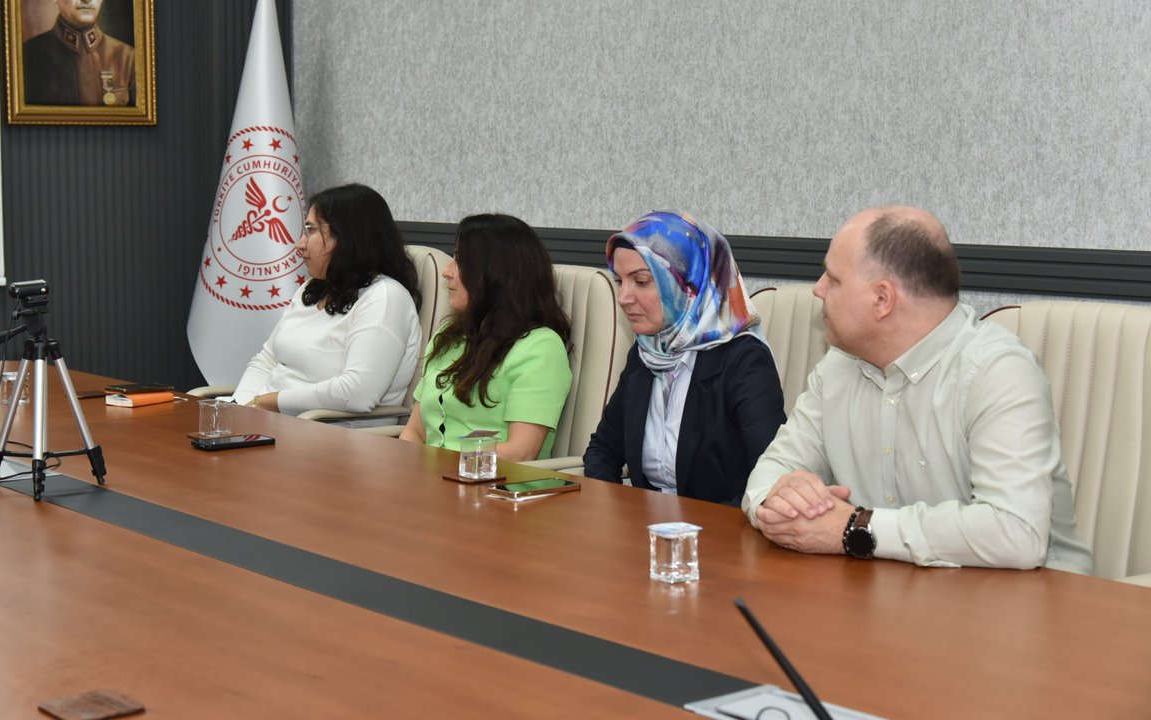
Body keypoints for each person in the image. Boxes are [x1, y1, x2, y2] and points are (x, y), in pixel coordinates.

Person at [742, 206, 1093, 574]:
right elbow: (769, 474)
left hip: (1037, 606)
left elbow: (1016, 533)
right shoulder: (839, 366)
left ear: (883, 300)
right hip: (895, 598)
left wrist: (857, 528)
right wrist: (784, 500)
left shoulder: (998, 371)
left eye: (833, 278)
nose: (818, 289)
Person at [583, 211, 786, 505]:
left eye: (640, 282)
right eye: (619, 281)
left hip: (722, 536)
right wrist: (618, 513)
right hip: (647, 532)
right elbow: (602, 449)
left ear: (689, 286)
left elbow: (770, 473)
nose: (623, 297)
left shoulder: (743, 360)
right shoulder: (646, 352)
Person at [233, 184, 422, 425]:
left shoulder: (385, 297)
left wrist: (267, 402)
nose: (299, 244)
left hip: (334, 441)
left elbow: (357, 394)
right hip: (273, 427)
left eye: (311, 230)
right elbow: (267, 360)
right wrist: (240, 408)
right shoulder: (312, 288)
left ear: (347, 237)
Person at [399, 214, 572, 460]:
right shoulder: (447, 338)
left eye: (460, 260)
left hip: (495, 490)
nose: (447, 272)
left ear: (496, 275)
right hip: (434, 483)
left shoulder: (541, 347)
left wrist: (438, 469)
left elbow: (520, 453)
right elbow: (414, 432)